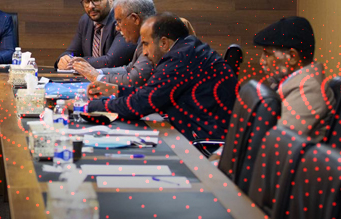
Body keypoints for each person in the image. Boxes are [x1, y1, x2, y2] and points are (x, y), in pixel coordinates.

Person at [87, 13, 237, 141]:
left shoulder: (179, 59)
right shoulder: (188, 48)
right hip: (206, 133)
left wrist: (88, 107)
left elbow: (141, 104)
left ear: (164, 43)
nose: (144, 52)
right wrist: (116, 91)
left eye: (146, 44)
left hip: (203, 143)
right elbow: (152, 93)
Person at [254, 16, 336, 141]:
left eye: (267, 54)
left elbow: (277, 143)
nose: (262, 61)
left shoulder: (308, 91)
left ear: (292, 57)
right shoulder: (293, 82)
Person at [73, 0, 156, 87]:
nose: (117, 28)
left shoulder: (153, 40)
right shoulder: (145, 38)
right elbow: (128, 69)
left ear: (135, 19)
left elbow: (134, 80)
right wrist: (95, 71)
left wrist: (97, 77)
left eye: (119, 21)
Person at [56, 0, 135, 70]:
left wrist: (75, 61)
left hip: (116, 78)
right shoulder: (85, 20)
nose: (90, 6)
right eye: (86, 1)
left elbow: (110, 62)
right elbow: (71, 52)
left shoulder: (122, 20)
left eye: (96, 0)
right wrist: (64, 59)